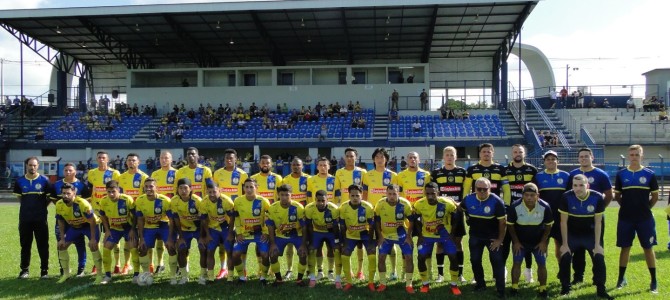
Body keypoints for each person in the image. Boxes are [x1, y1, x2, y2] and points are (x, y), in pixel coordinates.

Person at [558, 174, 612, 299]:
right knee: (565, 257)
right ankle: (565, 288)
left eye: (581, 185)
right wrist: (565, 244)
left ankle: (601, 290)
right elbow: (563, 222)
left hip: (590, 235)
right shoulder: (566, 197)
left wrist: (598, 245)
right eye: (575, 185)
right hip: (573, 235)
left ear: (587, 185)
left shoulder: (597, 197)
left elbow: (599, 222)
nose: (578, 188)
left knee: (599, 257)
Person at [614, 145, 659, 293]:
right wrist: (627, 207)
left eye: (637, 154)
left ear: (642, 156)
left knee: (648, 248)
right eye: (632, 154)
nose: (634, 157)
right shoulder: (621, 174)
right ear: (628, 156)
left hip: (644, 219)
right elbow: (618, 196)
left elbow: (655, 197)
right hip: (626, 218)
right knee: (625, 248)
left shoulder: (649, 174)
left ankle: (654, 281)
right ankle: (621, 278)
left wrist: (645, 209)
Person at [566, 147, 613, 285]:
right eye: (581, 156)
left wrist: (599, 209)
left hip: (595, 219)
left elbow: (609, 195)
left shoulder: (601, 174)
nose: (583, 158)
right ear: (578, 159)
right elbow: (569, 194)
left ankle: (597, 279)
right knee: (578, 250)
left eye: (586, 156)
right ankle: (578, 276)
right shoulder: (573, 174)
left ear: (592, 157)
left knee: (596, 249)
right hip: (576, 219)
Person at [459, 177, 507, 298]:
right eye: (478, 189)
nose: (481, 192)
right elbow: (459, 209)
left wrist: (499, 240)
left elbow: (503, 223)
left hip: (493, 237)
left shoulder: (497, 202)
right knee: (475, 260)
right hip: (475, 236)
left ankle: (500, 289)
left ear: (490, 189)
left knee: (497, 261)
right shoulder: (468, 199)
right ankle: (480, 284)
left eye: (484, 189)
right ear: (474, 189)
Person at [413, 182, 461, 295]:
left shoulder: (447, 203)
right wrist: (420, 236)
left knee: (453, 257)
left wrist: (452, 234)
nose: (430, 196)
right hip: (427, 236)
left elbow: (456, 217)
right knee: (421, 257)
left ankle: (454, 285)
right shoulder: (419, 204)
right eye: (427, 193)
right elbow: (416, 220)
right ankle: (425, 284)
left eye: (433, 193)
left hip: (445, 235)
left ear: (438, 193)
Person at [507, 183, 552, 299]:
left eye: (532, 195)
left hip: (538, 243)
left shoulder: (545, 207)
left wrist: (543, 242)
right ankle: (514, 287)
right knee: (516, 263)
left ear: (538, 195)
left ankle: (543, 289)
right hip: (520, 242)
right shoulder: (514, 206)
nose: (529, 198)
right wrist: (516, 242)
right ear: (522, 195)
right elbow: (510, 226)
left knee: (542, 264)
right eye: (526, 195)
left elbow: (548, 226)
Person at [430, 146, 468, 283]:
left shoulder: (462, 172)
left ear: (456, 157)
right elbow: (431, 193)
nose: (449, 157)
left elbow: (466, 190)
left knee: (458, 242)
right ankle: (440, 275)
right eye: (447, 155)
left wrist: (461, 204)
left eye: (452, 155)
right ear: (443, 157)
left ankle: (459, 274)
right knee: (440, 243)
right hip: (441, 213)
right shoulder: (436, 173)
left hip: (457, 211)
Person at [55, 183, 105, 284]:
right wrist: (62, 238)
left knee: (93, 246)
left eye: (68, 193)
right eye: (63, 193)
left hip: (89, 226)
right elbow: (60, 221)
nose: (65, 195)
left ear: (74, 193)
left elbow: (92, 221)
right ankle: (66, 274)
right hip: (74, 227)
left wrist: (92, 239)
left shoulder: (83, 204)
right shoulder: (59, 204)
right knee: (61, 246)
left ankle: (99, 275)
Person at [50, 163, 92, 277]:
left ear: (75, 171)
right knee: (61, 243)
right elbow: (55, 201)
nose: (68, 172)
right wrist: (65, 211)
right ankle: (63, 270)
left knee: (80, 243)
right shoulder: (56, 185)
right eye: (66, 170)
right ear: (63, 172)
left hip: (78, 220)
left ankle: (81, 268)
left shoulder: (82, 185)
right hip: (62, 219)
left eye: (70, 170)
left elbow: (87, 202)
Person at [504, 144, 538, 283]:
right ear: (512, 154)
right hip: (511, 211)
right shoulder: (505, 170)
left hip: (528, 211)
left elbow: (536, 191)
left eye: (520, 151)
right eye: (515, 151)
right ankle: (504, 270)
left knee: (527, 242)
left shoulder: (532, 169)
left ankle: (528, 270)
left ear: (525, 154)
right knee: (507, 242)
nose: (518, 153)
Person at [15, 156, 52, 279]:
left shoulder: (45, 180)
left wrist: (40, 208)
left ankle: (44, 271)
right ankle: (24, 270)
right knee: (25, 245)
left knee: (43, 245)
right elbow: (20, 199)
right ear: (27, 166)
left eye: (35, 165)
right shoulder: (19, 181)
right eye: (30, 165)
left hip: (40, 219)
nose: (33, 167)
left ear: (38, 166)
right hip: (25, 219)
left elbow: (48, 199)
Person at [135, 178, 178, 285]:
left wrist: (170, 238)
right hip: (149, 227)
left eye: (151, 186)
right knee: (142, 248)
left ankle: (173, 276)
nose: (148, 189)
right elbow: (140, 220)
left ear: (156, 188)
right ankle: (146, 274)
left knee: (171, 247)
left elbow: (172, 220)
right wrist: (141, 238)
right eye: (146, 187)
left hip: (164, 226)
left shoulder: (165, 200)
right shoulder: (140, 200)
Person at [374, 185, 415, 293]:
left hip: (402, 235)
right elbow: (377, 221)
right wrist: (380, 236)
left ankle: (409, 284)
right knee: (381, 257)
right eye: (390, 194)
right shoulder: (380, 204)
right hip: (386, 236)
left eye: (394, 194)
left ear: (398, 194)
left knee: (409, 257)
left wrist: (409, 236)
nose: (392, 196)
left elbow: (412, 221)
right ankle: (383, 284)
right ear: (386, 193)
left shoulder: (405, 204)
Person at [266, 184, 309, 286]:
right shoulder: (272, 208)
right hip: (280, 236)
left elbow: (304, 227)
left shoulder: (298, 207)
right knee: (273, 254)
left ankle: (299, 279)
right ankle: (279, 279)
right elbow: (270, 227)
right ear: (278, 195)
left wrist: (303, 244)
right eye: (282, 195)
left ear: (291, 195)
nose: (284, 197)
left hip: (297, 235)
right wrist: (272, 244)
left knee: (303, 254)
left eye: (287, 195)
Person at [98, 180, 140, 284]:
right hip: (114, 229)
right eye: (109, 192)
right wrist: (107, 231)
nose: (111, 194)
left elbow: (135, 215)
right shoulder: (103, 201)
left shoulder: (127, 199)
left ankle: (136, 274)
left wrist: (133, 229)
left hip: (128, 228)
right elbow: (103, 216)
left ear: (118, 190)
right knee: (106, 247)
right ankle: (107, 275)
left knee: (133, 248)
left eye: (113, 191)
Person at [334, 148, 367, 279]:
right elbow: (336, 191)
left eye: (352, 156)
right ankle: (348, 272)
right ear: (344, 157)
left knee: (360, 241)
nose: (349, 158)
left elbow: (365, 190)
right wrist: (337, 205)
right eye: (347, 156)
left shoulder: (362, 172)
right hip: (344, 209)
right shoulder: (339, 172)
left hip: (359, 209)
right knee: (345, 240)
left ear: (356, 158)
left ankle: (360, 271)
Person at [231, 179, 271, 284]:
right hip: (244, 234)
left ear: (256, 188)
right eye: (246, 187)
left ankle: (263, 277)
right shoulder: (238, 201)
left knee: (265, 254)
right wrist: (238, 233)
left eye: (251, 187)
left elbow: (268, 219)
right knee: (235, 254)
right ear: (243, 188)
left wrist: (266, 233)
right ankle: (241, 277)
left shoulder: (263, 201)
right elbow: (237, 218)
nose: (248, 189)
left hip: (260, 234)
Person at [168, 178, 206, 284]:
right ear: (177, 189)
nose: (183, 191)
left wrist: (202, 236)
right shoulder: (174, 201)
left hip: (198, 230)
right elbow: (175, 219)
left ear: (191, 189)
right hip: (184, 230)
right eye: (180, 188)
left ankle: (203, 275)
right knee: (181, 249)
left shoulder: (197, 201)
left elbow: (203, 220)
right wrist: (180, 237)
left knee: (203, 249)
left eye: (185, 188)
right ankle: (184, 276)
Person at [338, 184, 376, 291]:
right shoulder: (343, 207)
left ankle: (371, 282)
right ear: (349, 195)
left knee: (372, 255)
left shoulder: (368, 207)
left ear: (361, 195)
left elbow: (372, 225)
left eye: (357, 196)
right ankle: (349, 282)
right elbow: (342, 225)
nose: (355, 198)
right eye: (352, 195)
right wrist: (344, 241)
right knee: (345, 255)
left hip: (365, 235)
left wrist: (371, 241)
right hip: (350, 235)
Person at [278, 158, 310, 279]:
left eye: (298, 164)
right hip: (289, 213)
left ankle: (308, 269)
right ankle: (289, 269)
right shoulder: (285, 179)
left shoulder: (309, 179)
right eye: (294, 165)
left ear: (302, 166)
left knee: (307, 242)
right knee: (290, 242)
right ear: (291, 166)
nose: (296, 167)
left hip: (304, 213)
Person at [535, 150, 570, 262]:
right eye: (548, 159)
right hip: (543, 217)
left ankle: (562, 270)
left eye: (553, 159)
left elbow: (570, 197)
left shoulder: (566, 176)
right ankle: (542, 270)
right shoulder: (538, 176)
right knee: (543, 243)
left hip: (561, 217)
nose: (551, 161)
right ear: (544, 162)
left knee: (560, 244)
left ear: (557, 161)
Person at [118, 153, 149, 273]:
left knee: (145, 238)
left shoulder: (144, 177)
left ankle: (149, 264)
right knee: (128, 239)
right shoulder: (121, 177)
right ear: (126, 162)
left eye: (134, 160)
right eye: (129, 160)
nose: (131, 162)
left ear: (138, 162)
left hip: (141, 212)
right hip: (127, 213)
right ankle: (127, 264)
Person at [200, 181, 235, 283]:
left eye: (214, 192)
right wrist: (207, 235)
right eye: (209, 192)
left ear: (220, 191)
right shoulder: (204, 202)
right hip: (212, 229)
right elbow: (204, 220)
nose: (211, 194)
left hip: (226, 228)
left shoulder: (227, 201)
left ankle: (230, 278)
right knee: (210, 251)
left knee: (229, 252)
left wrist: (230, 233)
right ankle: (210, 278)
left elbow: (232, 218)